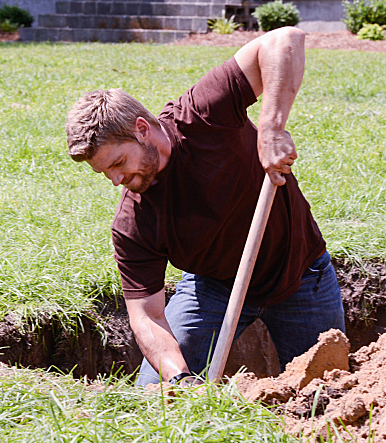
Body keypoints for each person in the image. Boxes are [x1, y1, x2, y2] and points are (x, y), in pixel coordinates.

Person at [65, 27, 345, 387]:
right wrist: (180, 377)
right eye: (105, 173)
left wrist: (271, 128)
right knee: (155, 393)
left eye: (118, 163)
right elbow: (146, 317)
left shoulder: (201, 116)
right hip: (213, 287)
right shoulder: (133, 223)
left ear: (141, 129)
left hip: (302, 275)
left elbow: (284, 40)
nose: (116, 180)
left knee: (329, 394)